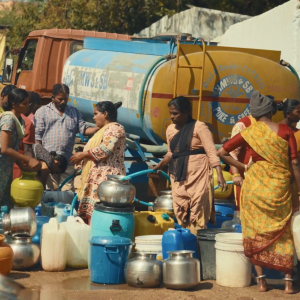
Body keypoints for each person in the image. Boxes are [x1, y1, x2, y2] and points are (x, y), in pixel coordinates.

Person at [217, 90, 300, 294]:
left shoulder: (249, 132)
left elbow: (222, 152)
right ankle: (289, 282)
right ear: (271, 112)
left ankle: (262, 281)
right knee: (284, 232)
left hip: (254, 189)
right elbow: (295, 163)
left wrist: (244, 168)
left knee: (254, 232)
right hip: (279, 189)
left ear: (254, 113)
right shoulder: (285, 131)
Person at [153, 96, 227, 235]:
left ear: (186, 112)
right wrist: (161, 164)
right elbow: (171, 152)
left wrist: (220, 175)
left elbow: (211, 151)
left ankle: (198, 245)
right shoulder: (170, 129)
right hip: (178, 175)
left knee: (197, 209)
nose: (172, 117)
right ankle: (186, 244)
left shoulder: (199, 127)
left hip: (198, 174)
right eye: (170, 113)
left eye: (175, 113)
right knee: (181, 209)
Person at [34, 84, 99, 191]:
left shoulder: (74, 112)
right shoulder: (43, 112)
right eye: (60, 99)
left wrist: (98, 127)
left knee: (67, 191)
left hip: (68, 160)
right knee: (51, 190)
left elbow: (84, 130)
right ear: (53, 97)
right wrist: (43, 159)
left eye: (65, 99)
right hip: (50, 161)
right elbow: (37, 137)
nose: (63, 102)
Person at [70, 101, 126, 224]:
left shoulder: (116, 129)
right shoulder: (103, 130)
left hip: (108, 179)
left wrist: (83, 154)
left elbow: (105, 149)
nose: (94, 118)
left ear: (105, 114)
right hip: (97, 176)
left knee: (102, 214)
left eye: (96, 114)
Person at [229, 96, 277, 210]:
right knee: (244, 209)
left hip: (261, 178)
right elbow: (230, 152)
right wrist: (236, 175)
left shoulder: (268, 125)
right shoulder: (242, 125)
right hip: (243, 178)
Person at [0, 89, 41, 209]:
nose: (28, 106)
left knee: (5, 203)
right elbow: (4, 148)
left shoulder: (19, 120)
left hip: (6, 168)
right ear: (14, 104)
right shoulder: (8, 120)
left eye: (28, 103)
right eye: (24, 103)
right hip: (2, 167)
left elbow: (13, 148)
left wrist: (22, 165)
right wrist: (28, 160)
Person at [278, 98, 300, 213]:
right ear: (288, 114)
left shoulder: (296, 132)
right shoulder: (280, 130)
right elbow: (295, 161)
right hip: (284, 178)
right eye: (298, 111)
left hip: (293, 179)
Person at [13, 92, 39, 180]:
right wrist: (31, 164)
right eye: (25, 103)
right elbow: (27, 149)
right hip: (19, 169)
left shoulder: (5, 117)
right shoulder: (27, 123)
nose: (28, 106)